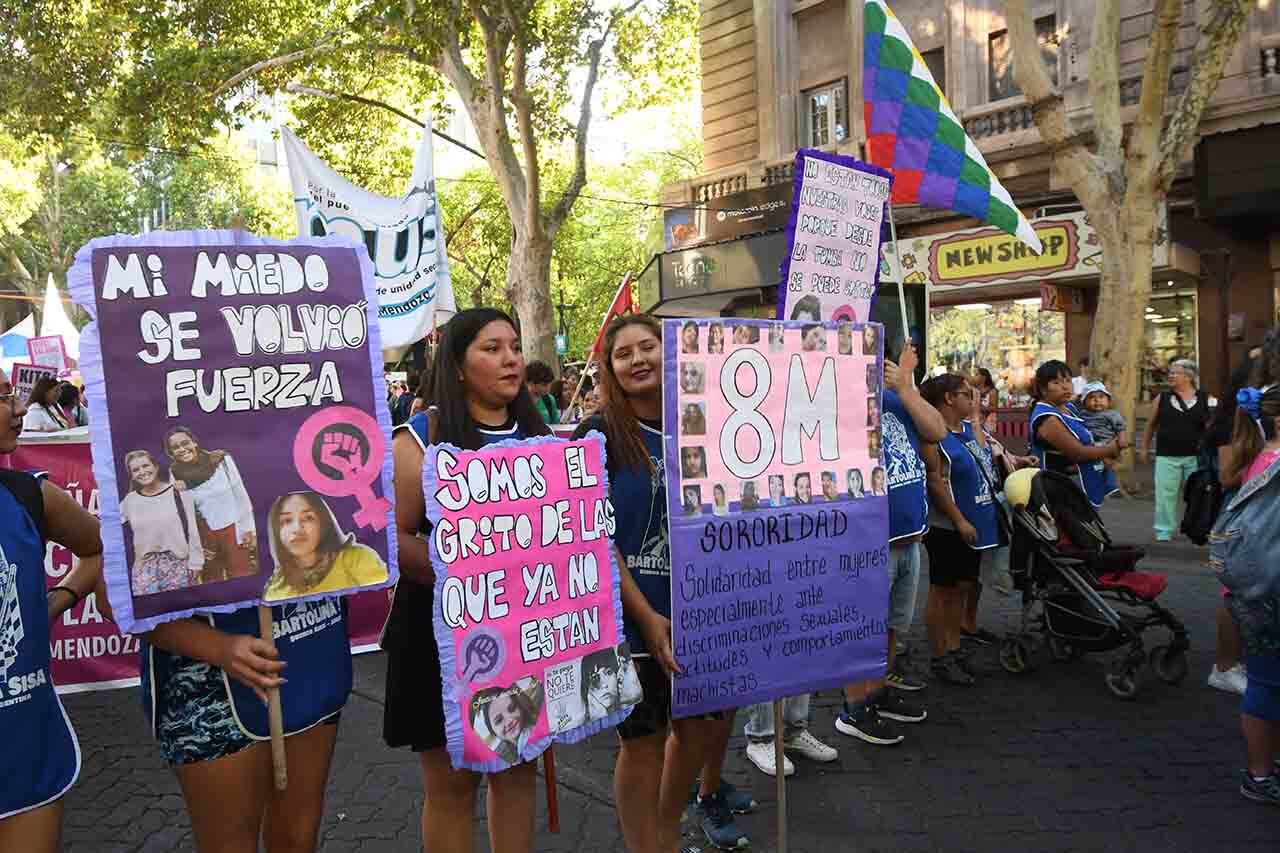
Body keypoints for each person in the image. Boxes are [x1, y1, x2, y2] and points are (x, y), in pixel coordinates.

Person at [383, 308, 550, 852]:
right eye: (491, 348)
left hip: (525, 637)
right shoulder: (418, 440)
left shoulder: (541, 436)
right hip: (441, 640)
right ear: (457, 366)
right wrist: (471, 574)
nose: (510, 359)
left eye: (514, 347)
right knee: (454, 784)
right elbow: (395, 537)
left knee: (516, 770)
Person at [571, 314, 735, 853]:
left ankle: (667, 826)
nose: (639, 359)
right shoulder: (596, 435)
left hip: (705, 612)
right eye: (624, 353)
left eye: (650, 347)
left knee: (700, 730)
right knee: (641, 743)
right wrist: (646, 616)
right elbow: (593, 536)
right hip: (629, 619)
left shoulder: (710, 422)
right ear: (610, 367)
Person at [0, 367, 103, 853]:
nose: (19, 409)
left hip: (23, 749)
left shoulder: (29, 495)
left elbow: (101, 550)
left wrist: (53, 604)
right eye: (3, 398)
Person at [836, 344, 947, 746]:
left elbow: (937, 430)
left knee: (890, 627)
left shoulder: (896, 398)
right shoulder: (838, 408)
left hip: (909, 538)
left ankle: (877, 692)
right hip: (868, 543)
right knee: (861, 628)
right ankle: (854, 707)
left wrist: (906, 387)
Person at [1216, 383, 1280, 805]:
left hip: (1256, 589)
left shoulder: (1260, 457)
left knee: (1265, 680)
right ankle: (1259, 775)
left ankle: (1261, 772)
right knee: (1267, 682)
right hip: (1272, 590)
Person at [920, 374, 1002, 686]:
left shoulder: (967, 429)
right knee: (943, 590)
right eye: (967, 394)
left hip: (974, 522)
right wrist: (958, 520)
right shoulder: (933, 434)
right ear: (949, 399)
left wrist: (978, 417)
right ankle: (939, 655)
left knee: (962, 589)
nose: (974, 399)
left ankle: (954, 648)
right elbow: (936, 482)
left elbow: (983, 455)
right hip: (948, 527)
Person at [1205, 354, 1260, 695]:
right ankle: (1225, 666)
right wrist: (1267, 465)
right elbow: (1228, 475)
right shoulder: (1233, 421)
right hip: (1242, 512)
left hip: (1263, 509)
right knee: (1236, 592)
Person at [164, 426, 258, 582]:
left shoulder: (221, 460)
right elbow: (184, 513)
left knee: (241, 578)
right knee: (212, 583)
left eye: (185, 443)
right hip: (204, 537)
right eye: (175, 447)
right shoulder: (174, 473)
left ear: (194, 443)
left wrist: (248, 528)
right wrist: (194, 547)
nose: (182, 449)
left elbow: (240, 494)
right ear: (171, 453)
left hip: (234, 530)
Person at [262, 491, 388, 601]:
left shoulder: (357, 559)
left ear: (323, 524)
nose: (296, 529)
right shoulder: (275, 590)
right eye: (287, 521)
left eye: (308, 518)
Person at [1027, 360, 1119, 508]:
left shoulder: (1069, 407)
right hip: (1059, 492)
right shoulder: (1046, 418)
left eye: (1068, 380)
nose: (1065, 386)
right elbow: (1078, 453)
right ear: (1043, 389)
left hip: (1080, 486)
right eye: (1056, 382)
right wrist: (1110, 450)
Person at [1140, 358, 1211, 541]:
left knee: (1197, 495)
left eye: (1175, 373)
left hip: (1195, 456)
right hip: (1166, 455)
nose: (1170, 376)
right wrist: (1144, 448)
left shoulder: (1205, 398)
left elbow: (1212, 427)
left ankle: (1196, 527)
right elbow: (1150, 425)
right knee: (1165, 495)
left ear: (1189, 376)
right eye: (1170, 372)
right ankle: (1164, 530)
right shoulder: (1161, 398)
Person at [119, 449, 203, 594]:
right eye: (136, 470)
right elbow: (107, 524)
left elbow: (192, 529)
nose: (142, 472)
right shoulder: (130, 500)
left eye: (146, 466)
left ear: (155, 466)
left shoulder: (178, 492)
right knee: (149, 613)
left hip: (178, 565)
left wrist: (196, 562)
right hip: (144, 570)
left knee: (181, 614)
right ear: (132, 476)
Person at [1079, 382, 1127, 497]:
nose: (1097, 400)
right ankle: (1102, 486)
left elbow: (1120, 427)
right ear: (1084, 402)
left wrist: (1122, 439)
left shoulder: (1111, 414)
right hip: (1090, 444)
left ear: (1108, 401)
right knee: (1097, 467)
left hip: (1106, 442)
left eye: (1101, 397)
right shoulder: (1083, 414)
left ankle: (1111, 486)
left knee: (1106, 464)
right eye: (1091, 398)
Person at [526, 360, 561, 426]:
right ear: (531, 384)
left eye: (549, 384)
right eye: (544, 385)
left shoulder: (549, 400)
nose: (548, 388)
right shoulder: (518, 401)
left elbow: (556, 426)